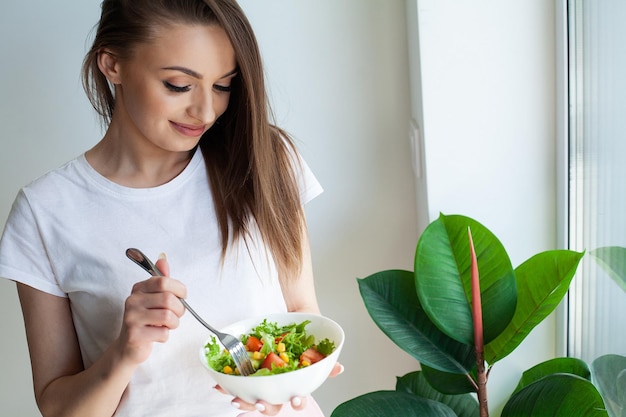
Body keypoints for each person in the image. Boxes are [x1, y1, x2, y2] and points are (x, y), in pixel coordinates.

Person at [0, 0, 341, 416]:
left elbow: (301, 313)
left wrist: (292, 380)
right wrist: (125, 351)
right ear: (112, 65)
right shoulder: (46, 211)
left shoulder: (263, 160)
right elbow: (59, 408)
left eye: (223, 85)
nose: (205, 111)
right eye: (179, 85)